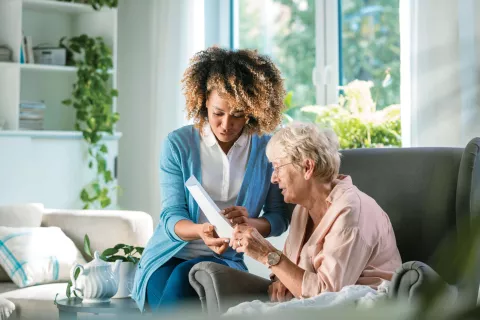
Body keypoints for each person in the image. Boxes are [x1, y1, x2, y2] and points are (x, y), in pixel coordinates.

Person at [131, 47, 292, 312]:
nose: (226, 124)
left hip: (225, 260)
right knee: (180, 279)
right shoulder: (178, 144)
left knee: (185, 280)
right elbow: (171, 216)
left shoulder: (266, 148)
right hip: (168, 256)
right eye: (218, 112)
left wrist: (248, 223)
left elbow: (278, 218)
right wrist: (201, 232)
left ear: (252, 110)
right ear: (204, 100)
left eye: (238, 114)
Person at [230, 123, 402, 302]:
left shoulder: (351, 211)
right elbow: (289, 267)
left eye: (278, 167)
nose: (273, 178)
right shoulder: (302, 210)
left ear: (307, 168)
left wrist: (267, 254)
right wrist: (280, 279)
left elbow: (328, 296)